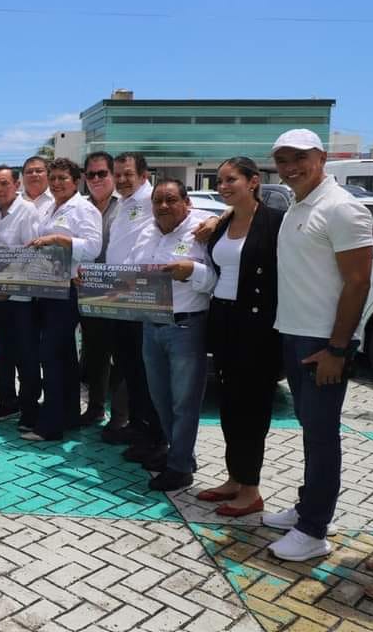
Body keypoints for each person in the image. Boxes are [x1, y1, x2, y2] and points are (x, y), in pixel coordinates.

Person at [263, 129, 372, 561]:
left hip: (323, 343)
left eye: (299, 158)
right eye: (283, 160)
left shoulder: (341, 208)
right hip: (293, 333)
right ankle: (306, 507)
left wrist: (338, 349)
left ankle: (313, 531)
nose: (290, 168)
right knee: (311, 430)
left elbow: (358, 281)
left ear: (322, 157)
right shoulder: (298, 206)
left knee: (323, 435)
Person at [196, 158, 283, 515]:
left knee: (253, 408)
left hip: (259, 325)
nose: (224, 186)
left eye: (231, 180)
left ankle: (251, 489)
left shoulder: (275, 222)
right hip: (224, 319)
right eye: (219, 181)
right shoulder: (223, 222)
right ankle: (235, 478)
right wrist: (218, 219)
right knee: (230, 406)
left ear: (253, 181)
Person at [128, 179, 216, 491]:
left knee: (185, 402)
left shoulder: (203, 230)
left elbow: (215, 280)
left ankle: (180, 468)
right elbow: (131, 269)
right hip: (150, 324)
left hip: (186, 326)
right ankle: (177, 454)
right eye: (158, 201)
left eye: (170, 200)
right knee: (160, 397)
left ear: (186, 202)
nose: (163, 206)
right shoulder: (146, 230)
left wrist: (191, 270)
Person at [23, 158, 102, 442]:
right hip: (46, 288)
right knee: (65, 356)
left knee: (52, 356)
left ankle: (50, 425)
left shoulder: (84, 209)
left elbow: (93, 248)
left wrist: (60, 239)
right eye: (53, 178)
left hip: (67, 291)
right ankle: (68, 415)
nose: (56, 183)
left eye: (62, 179)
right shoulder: (48, 207)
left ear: (76, 181)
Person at [105, 153, 165, 464]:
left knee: (144, 372)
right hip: (120, 298)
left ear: (143, 174)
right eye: (118, 174)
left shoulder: (153, 200)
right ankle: (138, 426)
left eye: (128, 174)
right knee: (128, 367)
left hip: (138, 296)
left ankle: (152, 436)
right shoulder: (124, 202)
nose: (122, 179)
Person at [0, 165, 40, 425]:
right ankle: (8, 402)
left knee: (25, 354)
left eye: (4, 183)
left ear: (16, 185)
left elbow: (32, 254)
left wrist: (12, 288)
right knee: (3, 353)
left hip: (20, 300)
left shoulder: (27, 211)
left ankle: (30, 408)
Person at [79, 151, 124, 427]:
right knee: (94, 354)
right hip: (88, 290)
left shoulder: (128, 207)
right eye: (91, 174)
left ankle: (120, 417)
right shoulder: (81, 208)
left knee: (121, 356)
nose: (96, 179)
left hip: (122, 291)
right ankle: (95, 408)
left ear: (112, 176)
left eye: (102, 173)